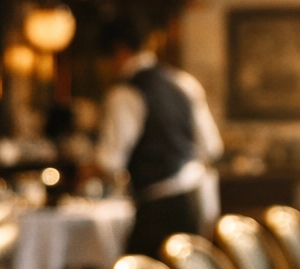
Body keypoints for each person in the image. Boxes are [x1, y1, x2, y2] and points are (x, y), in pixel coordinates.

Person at [94, 16, 223, 255]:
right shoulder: (183, 82)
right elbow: (212, 147)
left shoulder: (125, 93)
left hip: (159, 209)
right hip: (197, 200)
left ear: (119, 51)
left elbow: (109, 164)